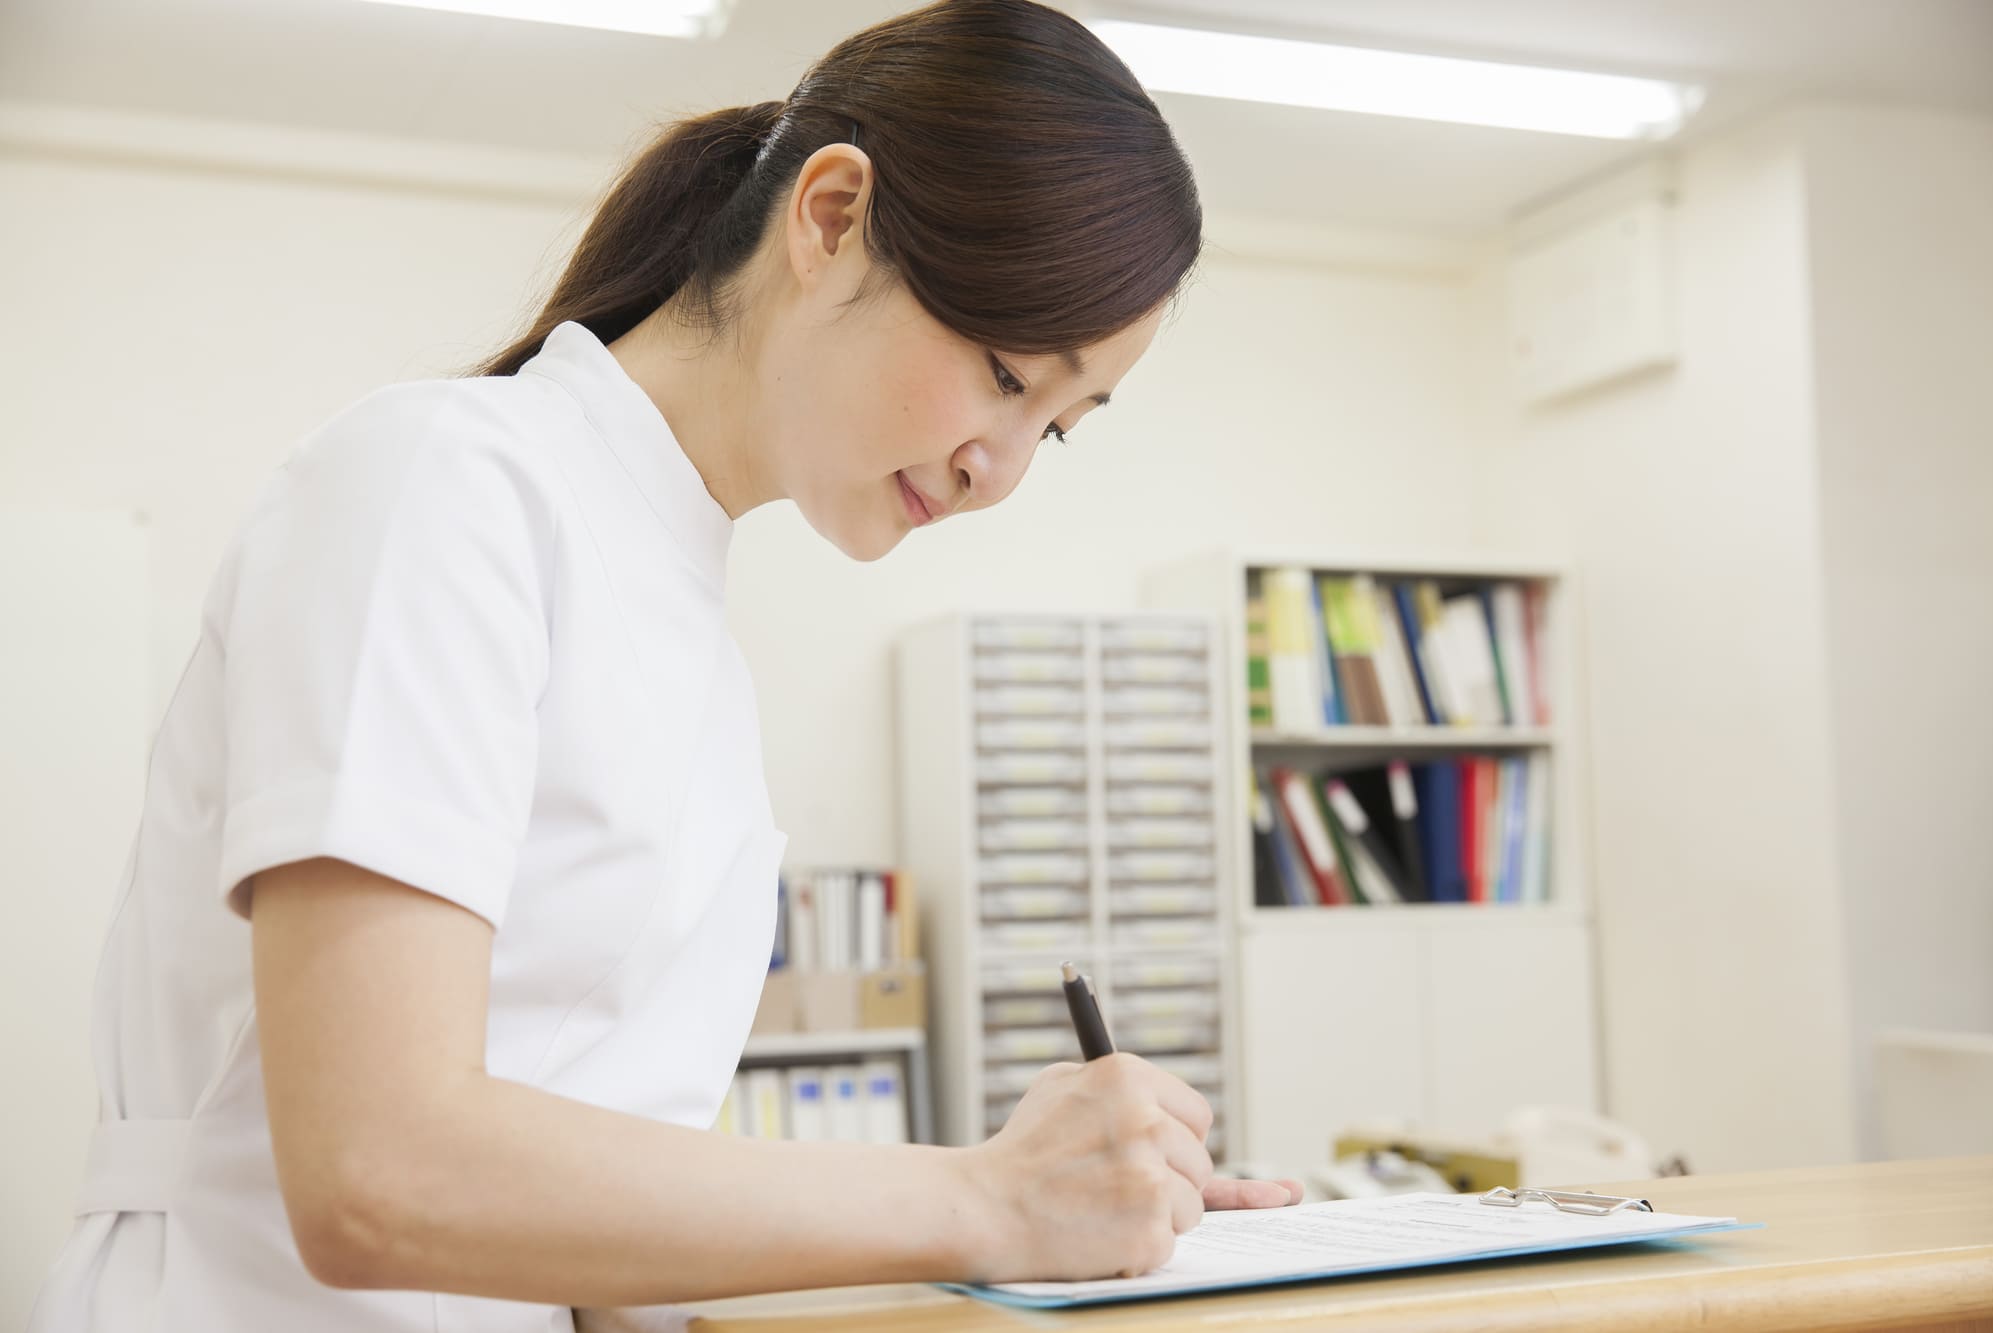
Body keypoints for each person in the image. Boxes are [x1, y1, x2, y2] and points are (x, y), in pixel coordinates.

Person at [28, 2, 1300, 1329]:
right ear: (828, 214)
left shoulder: (690, 641)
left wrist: (1075, 1216)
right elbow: (376, 1171)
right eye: (1002, 372)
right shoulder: (441, 483)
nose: (1003, 466)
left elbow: (591, 1225)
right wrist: (985, 1196)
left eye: (1061, 425)